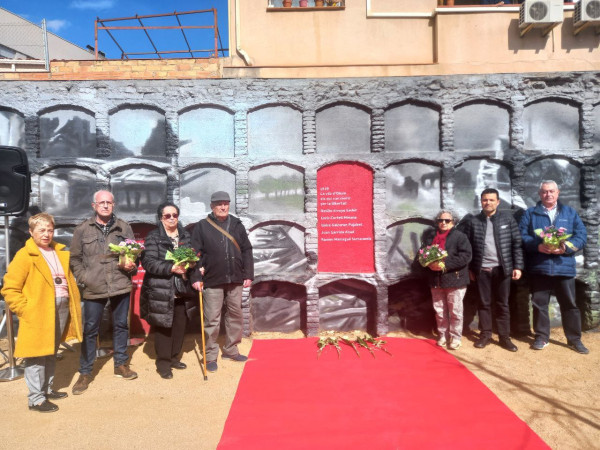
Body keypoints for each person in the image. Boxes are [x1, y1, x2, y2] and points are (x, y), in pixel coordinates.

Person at [1, 213, 82, 413]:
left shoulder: (58, 251)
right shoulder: (24, 255)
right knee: (36, 354)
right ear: (31, 232)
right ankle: (36, 399)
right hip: (38, 311)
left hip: (60, 307)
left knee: (50, 350)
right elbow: (9, 288)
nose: (46, 234)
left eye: (49, 230)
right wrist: (26, 310)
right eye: (41, 230)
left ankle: (47, 389)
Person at [70, 190, 138, 395]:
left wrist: (132, 265)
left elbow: (134, 254)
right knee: (90, 330)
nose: (106, 205)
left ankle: (121, 364)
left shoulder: (124, 227)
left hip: (119, 284)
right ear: (94, 206)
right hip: (94, 287)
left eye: (109, 202)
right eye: (102, 202)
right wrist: (85, 278)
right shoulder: (82, 230)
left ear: (114, 204)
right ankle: (85, 371)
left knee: (120, 325)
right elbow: (74, 259)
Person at [519, 180, 589, 354]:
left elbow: (581, 236)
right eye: (544, 192)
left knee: (570, 305)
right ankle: (542, 337)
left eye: (551, 191)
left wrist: (565, 248)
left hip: (564, 267)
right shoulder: (530, 213)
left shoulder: (570, 213)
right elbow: (521, 236)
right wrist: (537, 246)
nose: (548, 194)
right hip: (540, 267)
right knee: (539, 304)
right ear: (539, 194)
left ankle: (574, 339)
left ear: (558, 193)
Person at [191, 191, 254, 372]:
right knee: (212, 319)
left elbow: (246, 250)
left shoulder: (236, 224)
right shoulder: (202, 226)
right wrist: (196, 276)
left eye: (226, 203)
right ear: (212, 206)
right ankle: (210, 356)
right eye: (219, 204)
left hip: (235, 278)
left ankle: (231, 350)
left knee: (236, 315)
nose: (223, 206)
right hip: (212, 278)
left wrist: (248, 274)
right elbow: (193, 253)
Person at [458, 188, 523, 352]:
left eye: (491, 200)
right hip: (481, 270)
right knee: (484, 304)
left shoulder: (507, 220)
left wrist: (518, 266)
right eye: (485, 200)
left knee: (503, 304)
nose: (488, 203)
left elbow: (516, 244)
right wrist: (470, 268)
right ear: (481, 202)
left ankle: (504, 337)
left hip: (502, 269)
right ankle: (485, 334)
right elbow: (468, 248)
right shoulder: (474, 222)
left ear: (498, 202)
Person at [140, 202, 199, 379]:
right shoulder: (153, 237)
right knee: (165, 326)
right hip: (162, 289)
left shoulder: (185, 236)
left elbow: (192, 256)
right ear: (161, 218)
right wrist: (171, 268)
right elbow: (148, 262)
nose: (172, 218)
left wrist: (192, 264)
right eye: (168, 216)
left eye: (175, 215)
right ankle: (163, 363)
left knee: (180, 325)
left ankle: (174, 357)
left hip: (182, 288)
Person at [418, 210, 472, 350]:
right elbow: (423, 254)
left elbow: (466, 256)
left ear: (453, 222)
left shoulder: (460, 237)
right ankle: (443, 335)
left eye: (447, 221)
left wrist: (444, 264)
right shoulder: (430, 237)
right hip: (436, 280)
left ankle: (455, 337)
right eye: (441, 220)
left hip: (455, 279)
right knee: (440, 310)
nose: (443, 223)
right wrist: (429, 264)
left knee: (455, 311)